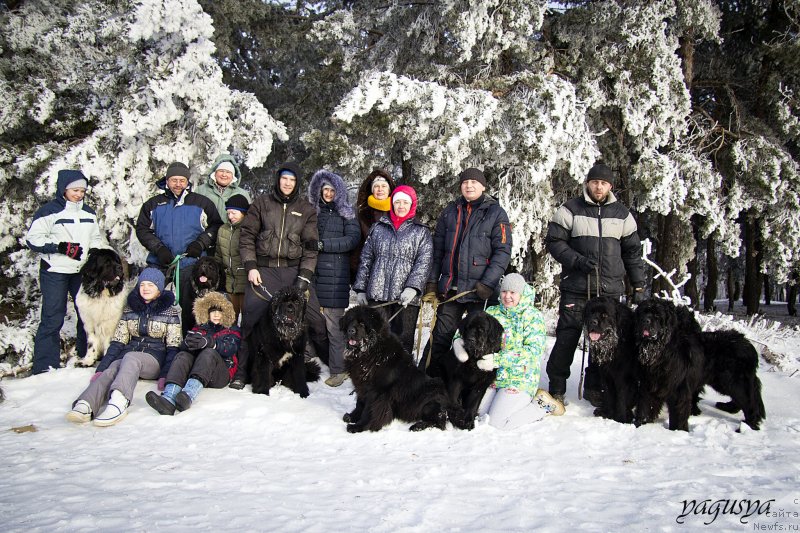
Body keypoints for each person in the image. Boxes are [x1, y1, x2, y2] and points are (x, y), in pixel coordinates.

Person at [544, 163, 645, 406]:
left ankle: (594, 386)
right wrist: (577, 260)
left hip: (608, 292)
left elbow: (632, 252)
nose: (599, 187)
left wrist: (638, 285)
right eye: (595, 182)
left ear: (610, 186)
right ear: (588, 183)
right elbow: (554, 242)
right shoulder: (570, 209)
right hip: (576, 288)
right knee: (567, 338)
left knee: (602, 343)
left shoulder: (622, 214)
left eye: (604, 183)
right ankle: (556, 387)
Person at [233, 162, 328, 389]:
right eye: (284, 178)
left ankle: (332, 365)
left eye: (292, 180)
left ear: (297, 183)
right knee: (250, 319)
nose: (287, 183)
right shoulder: (261, 203)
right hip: (263, 270)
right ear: (278, 179)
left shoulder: (306, 209)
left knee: (315, 318)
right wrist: (251, 266)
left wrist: (303, 278)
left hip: (293, 271)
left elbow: (311, 247)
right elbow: (246, 236)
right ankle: (241, 372)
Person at [66, 268, 182, 426]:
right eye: (142, 285)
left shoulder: (170, 312)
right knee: (113, 367)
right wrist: (102, 368)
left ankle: (119, 401)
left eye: (151, 285)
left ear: (159, 289)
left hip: (154, 358)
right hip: (129, 356)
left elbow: (173, 346)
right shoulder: (130, 309)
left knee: (131, 358)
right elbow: (118, 342)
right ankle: (86, 403)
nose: (145, 288)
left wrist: (165, 374)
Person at [421, 167, 512, 371]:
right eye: (465, 182)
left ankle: (471, 382)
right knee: (440, 336)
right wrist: (433, 281)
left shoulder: (496, 213)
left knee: (479, 341)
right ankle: (426, 377)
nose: (469, 185)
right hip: (451, 289)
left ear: (483, 186)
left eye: (474, 182)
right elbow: (438, 250)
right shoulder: (450, 211)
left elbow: (503, 251)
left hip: (480, 292)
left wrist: (488, 283)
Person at [458, 273, 564, 429]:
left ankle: (541, 406)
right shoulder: (492, 312)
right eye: (504, 291)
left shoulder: (532, 316)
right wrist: (458, 342)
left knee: (498, 422)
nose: (507, 296)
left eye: (513, 292)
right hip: (491, 378)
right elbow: (467, 328)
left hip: (519, 378)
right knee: (479, 414)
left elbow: (533, 351)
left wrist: (498, 360)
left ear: (521, 293)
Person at [25, 169, 105, 374]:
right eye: (75, 190)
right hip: (55, 270)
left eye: (82, 191)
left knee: (86, 314)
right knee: (53, 316)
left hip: (81, 271)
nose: (79, 194)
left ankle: (85, 356)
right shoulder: (48, 211)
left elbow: (95, 237)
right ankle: (45, 366)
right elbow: (33, 239)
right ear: (64, 189)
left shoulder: (88, 212)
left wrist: (94, 250)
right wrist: (60, 247)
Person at [135, 161, 223, 333]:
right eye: (174, 180)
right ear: (167, 181)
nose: (178, 184)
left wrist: (200, 243)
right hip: (160, 261)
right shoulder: (153, 204)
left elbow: (216, 225)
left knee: (191, 305)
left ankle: (189, 338)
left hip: (190, 262)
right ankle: (148, 337)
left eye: (182, 180)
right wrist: (158, 248)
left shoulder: (201, 203)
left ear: (187, 182)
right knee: (147, 299)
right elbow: (142, 229)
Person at [354, 185, 432, 355]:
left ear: (412, 205)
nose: (401, 206)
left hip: (405, 300)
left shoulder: (421, 232)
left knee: (402, 343)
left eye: (405, 202)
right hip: (377, 295)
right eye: (397, 202)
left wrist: (413, 287)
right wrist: (360, 289)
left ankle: (401, 372)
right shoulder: (378, 228)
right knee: (374, 339)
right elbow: (366, 259)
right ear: (392, 204)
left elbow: (423, 262)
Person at [145, 291, 241, 415]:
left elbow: (231, 347)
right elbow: (185, 347)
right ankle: (169, 397)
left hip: (220, 374)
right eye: (213, 311)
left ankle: (187, 396)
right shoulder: (200, 328)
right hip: (198, 371)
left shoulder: (232, 330)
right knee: (183, 355)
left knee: (209, 352)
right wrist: (187, 344)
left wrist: (210, 342)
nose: (216, 315)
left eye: (220, 311)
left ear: (226, 313)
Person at [306, 170, 360, 386]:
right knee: (309, 320)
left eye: (332, 190)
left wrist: (323, 245)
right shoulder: (313, 213)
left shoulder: (347, 213)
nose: (328, 193)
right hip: (314, 274)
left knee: (334, 327)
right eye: (325, 189)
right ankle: (307, 357)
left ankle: (339, 369)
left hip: (336, 277)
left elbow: (352, 239)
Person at [351, 169, 396, 281]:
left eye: (384, 186)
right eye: (376, 186)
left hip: (394, 274)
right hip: (369, 274)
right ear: (372, 190)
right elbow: (357, 245)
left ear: (389, 190)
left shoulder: (398, 212)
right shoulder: (362, 214)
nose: (380, 189)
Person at [215, 194, 249, 323]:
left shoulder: (249, 228)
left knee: (248, 319)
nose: (230, 216)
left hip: (246, 282)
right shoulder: (223, 229)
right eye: (228, 213)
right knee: (229, 319)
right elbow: (218, 254)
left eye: (234, 213)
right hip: (229, 282)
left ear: (243, 212)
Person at [195, 154, 252, 221]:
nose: (224, 175)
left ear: (233, 176)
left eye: (228, 172)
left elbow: (249, 218)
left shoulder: (242, 194)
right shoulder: (200, 190)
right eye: (221, 171)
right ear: (215, 173)